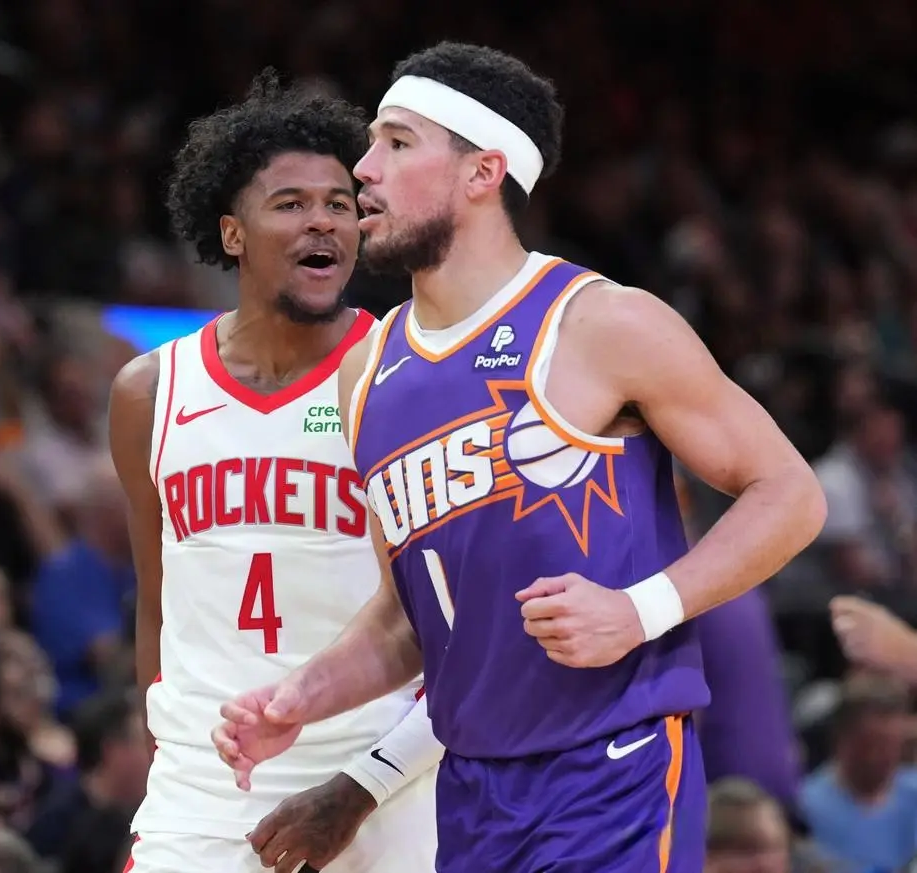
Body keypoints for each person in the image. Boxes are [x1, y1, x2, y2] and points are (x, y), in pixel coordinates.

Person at [214, 42, 826, 873]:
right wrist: (301, 696)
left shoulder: (600, 322)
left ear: (482, 172)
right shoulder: (367, 373)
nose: (364, 168)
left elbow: (790, 493)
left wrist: (638, 610)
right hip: (474, 793)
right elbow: (409, 618)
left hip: (611, 770)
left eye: (397, 141)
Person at [109, 70, 441, 873]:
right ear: (232, 234)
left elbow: (450, 614)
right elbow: (157, 603)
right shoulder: (149, 392)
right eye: (290, 204)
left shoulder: (406, 378)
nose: (321, 221)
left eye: (339, 203)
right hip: (207, 789)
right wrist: (169, 758)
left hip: (379, 783)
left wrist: (376, 777)